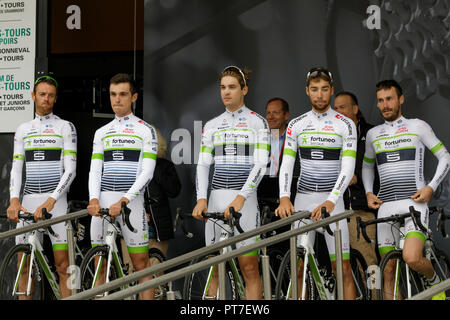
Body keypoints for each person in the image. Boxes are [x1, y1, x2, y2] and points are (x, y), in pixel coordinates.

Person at [362, 79, 450, 300]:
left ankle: (435, 283)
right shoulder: (373, 134)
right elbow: (366, 166)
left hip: (414, 204)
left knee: (411, 257)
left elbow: (445, 157)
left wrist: (431, 187)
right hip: (385, 207)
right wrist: (368, 192)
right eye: (380, 100)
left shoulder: (418, 126)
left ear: (400, 99)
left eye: (389, 99)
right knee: (388, 270)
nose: (385, 105)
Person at [275, 67, 357, 300]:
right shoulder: (297, 124)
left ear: (331, 91)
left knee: (342, 270)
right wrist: (284, 197)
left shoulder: (345, 124)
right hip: (303, 201)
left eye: (324, 89)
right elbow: (287, 165)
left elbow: (347, 167)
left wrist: (331, 202)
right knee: (299, 269)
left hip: (333, 204)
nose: (319, 95)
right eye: (314, 90)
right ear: (307, 92)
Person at [193, 66, 270, 300]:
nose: (226, 92)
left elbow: (261, 165)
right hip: (216, 199)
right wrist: (201, 199)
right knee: (215, 267)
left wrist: (241, 198)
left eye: (232, 87)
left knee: (249, 268)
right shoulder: (212, 124)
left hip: (244, 202)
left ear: (244, 89)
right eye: (223, 87)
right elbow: (203, 164)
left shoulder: (258, 123)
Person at [87, 73, 158, 300]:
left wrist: (125, 200)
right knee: (100, 267)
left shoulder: (145, 130)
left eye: (123, 94)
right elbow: (95, 170)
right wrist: (93, 199)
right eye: (113, 94)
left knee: (141, 266)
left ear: (134, 97)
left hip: (131, 206)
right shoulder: (101, 132)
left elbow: (147, 172)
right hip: (103, 204)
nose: (117, 100)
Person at [7, 75, 77, 299]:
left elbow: (71, 170)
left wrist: (51, 200)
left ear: (55, 99)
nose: (46, 99)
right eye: (42, 94)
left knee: (63, 265)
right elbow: (17, 168)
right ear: (33, 96)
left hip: (56, 204)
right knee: (23, 267)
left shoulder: (65, 127)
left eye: (50, 95)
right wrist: (14, 200)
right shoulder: (23, 129)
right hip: (28, 201)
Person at [333, 91, 379, 274]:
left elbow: (383, 168)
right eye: (335, 108)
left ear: (355, 109)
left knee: (368, 266)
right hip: (335, 211)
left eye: (342, 107)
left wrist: (357, 176)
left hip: (360, 210)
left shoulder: (371, 133)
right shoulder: (332, 134)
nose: (338, 112)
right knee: (338, 268)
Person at [144, 126, 181, 262]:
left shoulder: (165, 166)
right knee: (130, 272)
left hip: (157, 227)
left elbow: (174, 191)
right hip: (133, 224)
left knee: (155, 273)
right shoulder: (131, 166)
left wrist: (155, 167)